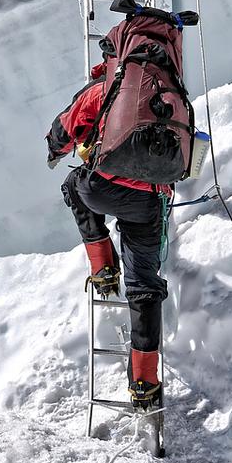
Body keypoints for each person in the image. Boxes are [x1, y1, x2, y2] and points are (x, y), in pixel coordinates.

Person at [46, 63, 169, 410]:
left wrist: (54, 151)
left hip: (102, 188)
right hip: (150, 200)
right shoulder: (170, 91)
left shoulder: (110, 84)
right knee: (144, 284)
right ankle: (144, 381)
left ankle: (103, 268)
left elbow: (66, 126)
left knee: (74, 184)